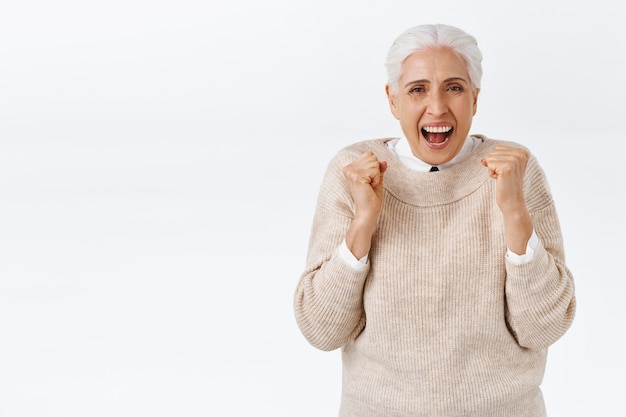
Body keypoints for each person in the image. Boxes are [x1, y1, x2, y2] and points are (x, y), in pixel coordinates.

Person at [293, 24, 576, 417]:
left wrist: (513, 212)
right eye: (417, 89)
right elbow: (321, 330)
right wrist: (363, 222)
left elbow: (544, 328)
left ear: (475, 99)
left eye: (455, 88)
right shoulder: (353, 173)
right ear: (393, 100)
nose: (438, 107)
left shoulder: (516, 170)